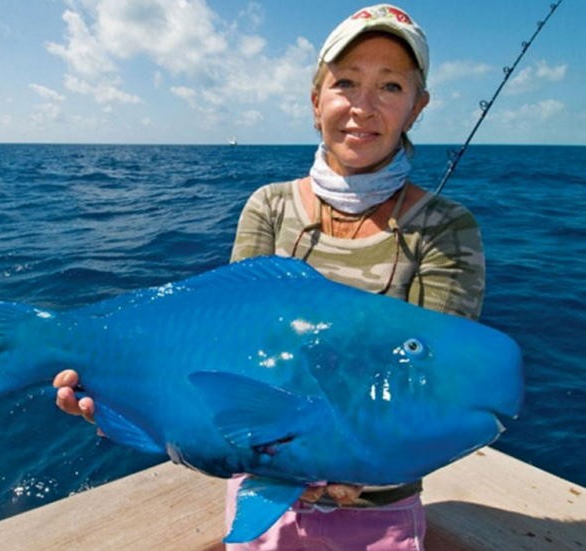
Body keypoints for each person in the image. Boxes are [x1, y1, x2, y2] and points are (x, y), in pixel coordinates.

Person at [54, 4, 485, 550]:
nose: (362, 107)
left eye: (391, 86)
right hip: (262, 495)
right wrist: (127, 397)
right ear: (315, 101)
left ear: (416, 108)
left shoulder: (446, 228)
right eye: (345, 83)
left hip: (380, 510)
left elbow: (436, 387)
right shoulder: (269, 207)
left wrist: (355, 472)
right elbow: (220, 348)